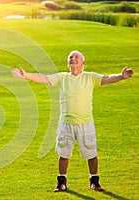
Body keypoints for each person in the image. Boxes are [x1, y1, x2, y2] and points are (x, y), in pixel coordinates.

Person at [12, 50, 134, 192]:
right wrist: (26, 75)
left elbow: (107, 78)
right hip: (66, 123)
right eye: (71, 57)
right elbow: (44, 78)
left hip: (85, 123)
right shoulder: (62, 78)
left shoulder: (90, 77)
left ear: (83, 63)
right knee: (64, 155)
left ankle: (94, 181)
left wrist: (121, 76)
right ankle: (61, 182)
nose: (73, 58)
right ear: (68, 63)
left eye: (76, 57)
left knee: (91, 154)